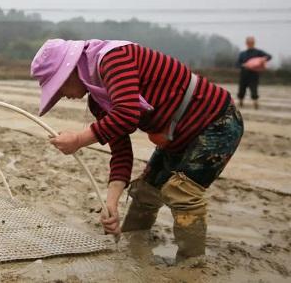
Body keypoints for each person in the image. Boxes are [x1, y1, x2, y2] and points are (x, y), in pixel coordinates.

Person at [31, 39, 243, 261]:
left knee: (182, 191)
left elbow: (127, 114)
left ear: (71, 70)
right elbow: (121, 150)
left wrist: (78, 139)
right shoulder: (98, 99)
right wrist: (110, 204)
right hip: (176, 136)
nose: (62, 95)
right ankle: (132, 248)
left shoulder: (113, 58)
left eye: (59, 87)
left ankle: (191, 266)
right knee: (144, 191)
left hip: (216, 123)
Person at [236, 36, 272, 109]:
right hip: (244, 74)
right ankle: (240, 102)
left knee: (254, 89)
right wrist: (243, 65)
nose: (250, 44)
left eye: (252, 42)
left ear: (254, 43)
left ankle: (255, 103)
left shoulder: (258, 52)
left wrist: (264, 59)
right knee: (241, 89)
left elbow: (269, 56)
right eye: (249, 42)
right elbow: (237, 64)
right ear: (246, 43)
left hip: (254, 75)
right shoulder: (242, 54)